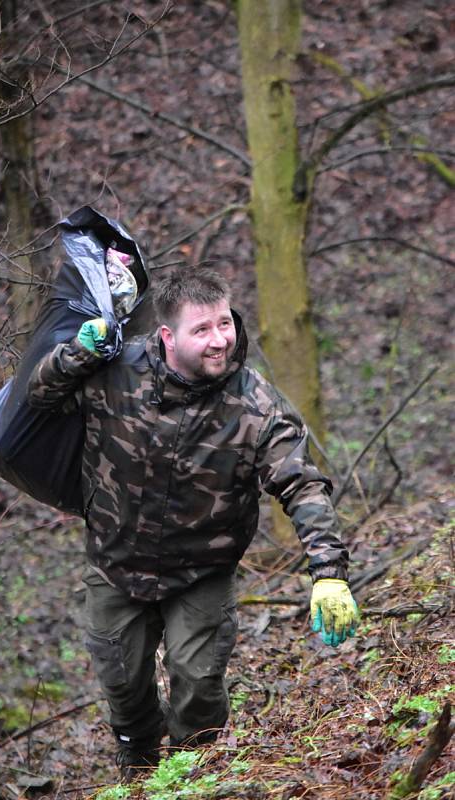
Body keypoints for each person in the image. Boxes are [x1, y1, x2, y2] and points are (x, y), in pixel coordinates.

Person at [27, 269, 359, 781]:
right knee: (123, 687)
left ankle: (195, 778)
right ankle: (139, 773)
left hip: (202, 570)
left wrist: (330, 572)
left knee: (198, 685)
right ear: (167, 336)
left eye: (224, 323)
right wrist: (77, 353)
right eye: (201, 329)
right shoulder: (114, 368)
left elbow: (302, 483)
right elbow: (37, 398)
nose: (219, 340)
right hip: (116, 565)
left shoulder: (255, 404)